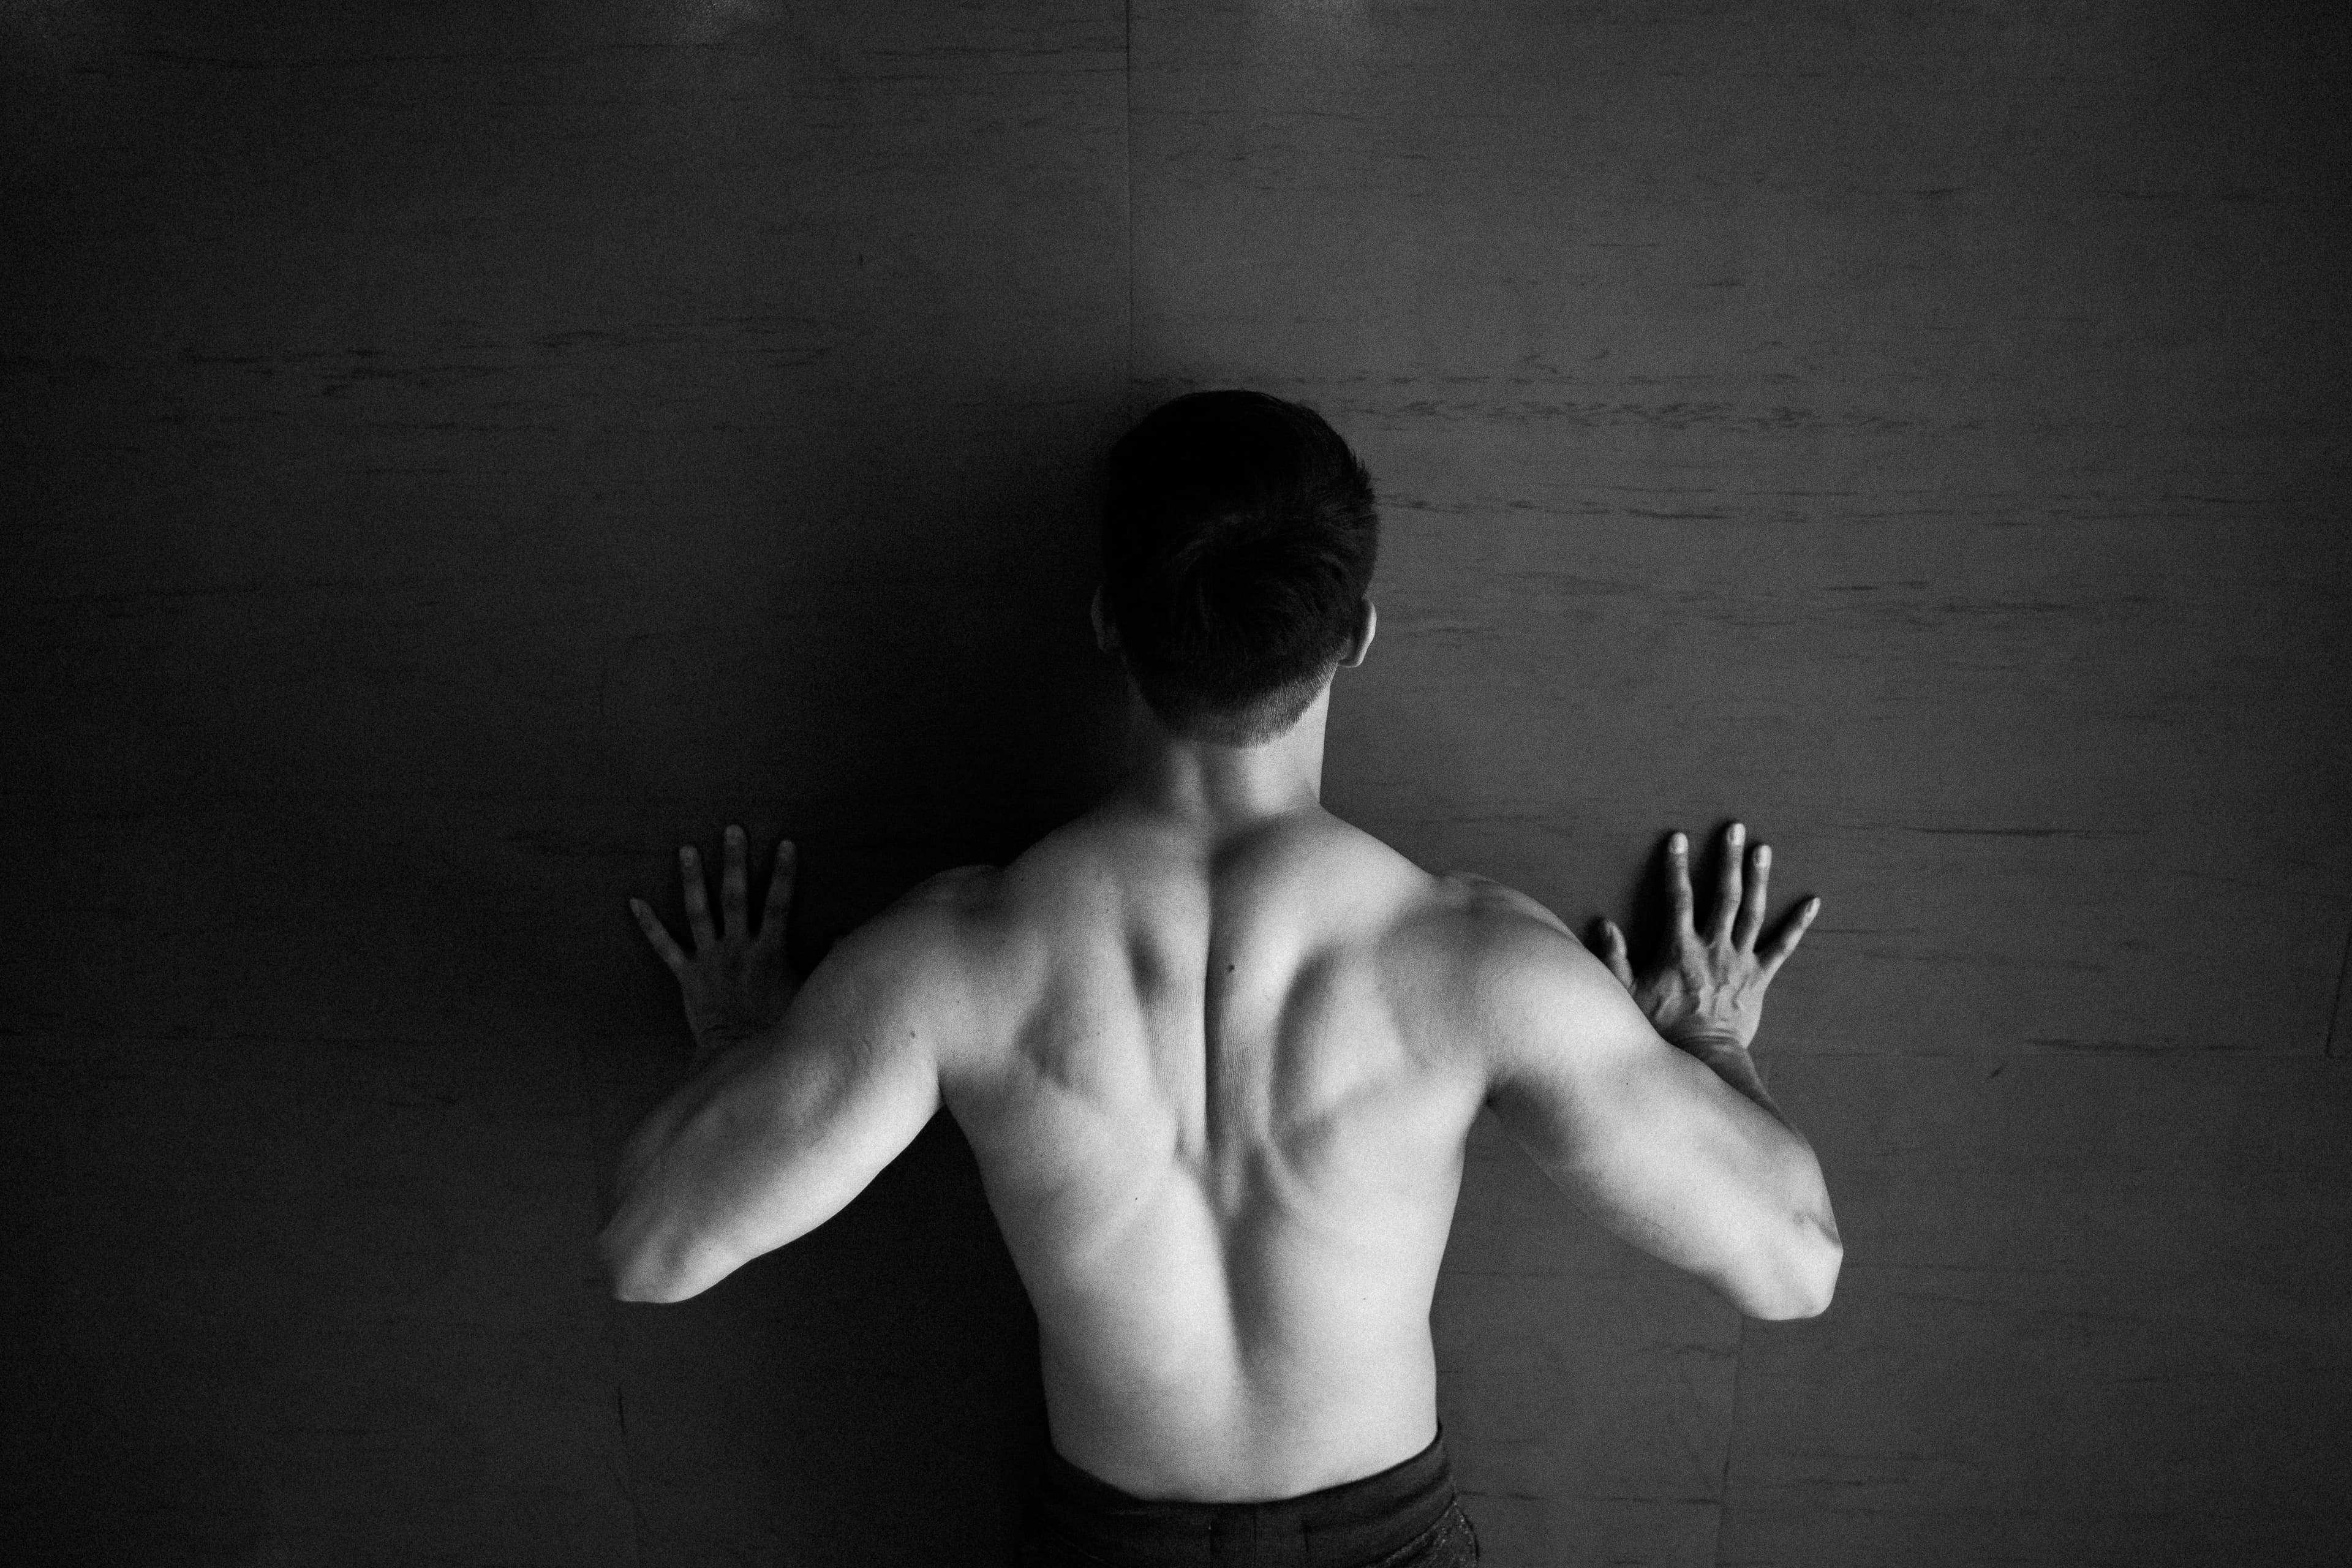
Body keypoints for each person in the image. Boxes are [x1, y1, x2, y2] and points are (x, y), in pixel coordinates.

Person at [598, 390, 1842, 1567]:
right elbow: (1799, 1266)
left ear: (1106, 619)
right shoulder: (1477, 964)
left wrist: (738, 1042)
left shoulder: (957, 957)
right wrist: (1719, 1043)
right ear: (1356, 633)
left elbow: (653, 1248)